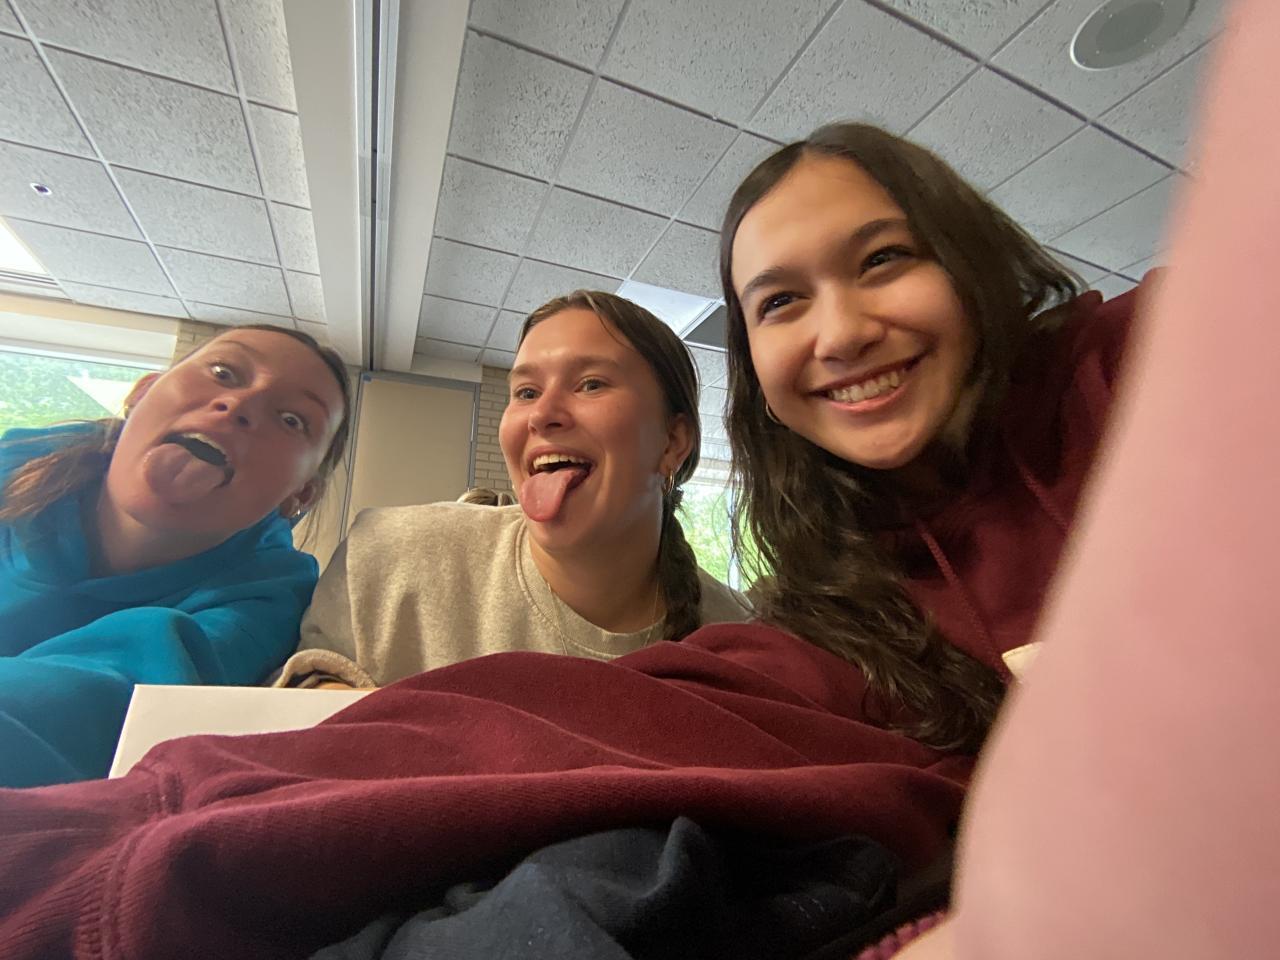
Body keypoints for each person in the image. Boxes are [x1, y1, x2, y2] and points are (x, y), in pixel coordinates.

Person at [719, 122, 1143, 753]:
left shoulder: (1138, 367)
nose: (842, 336)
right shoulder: (822, 617)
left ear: (969, 263)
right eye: (780, 301)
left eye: (882, 259)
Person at [278, 291, 751, 689]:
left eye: (590, 384)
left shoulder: (742, 647)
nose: (541, 415)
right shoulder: (383, 558)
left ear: (673, 442)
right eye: (526, 392)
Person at [0, 324, 351, 787]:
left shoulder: (262, 603)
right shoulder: (18, 461)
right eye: (223, 372)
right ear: (142, 392)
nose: (240, 405)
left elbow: (100, 710)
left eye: (292, 420)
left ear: (299, 494)